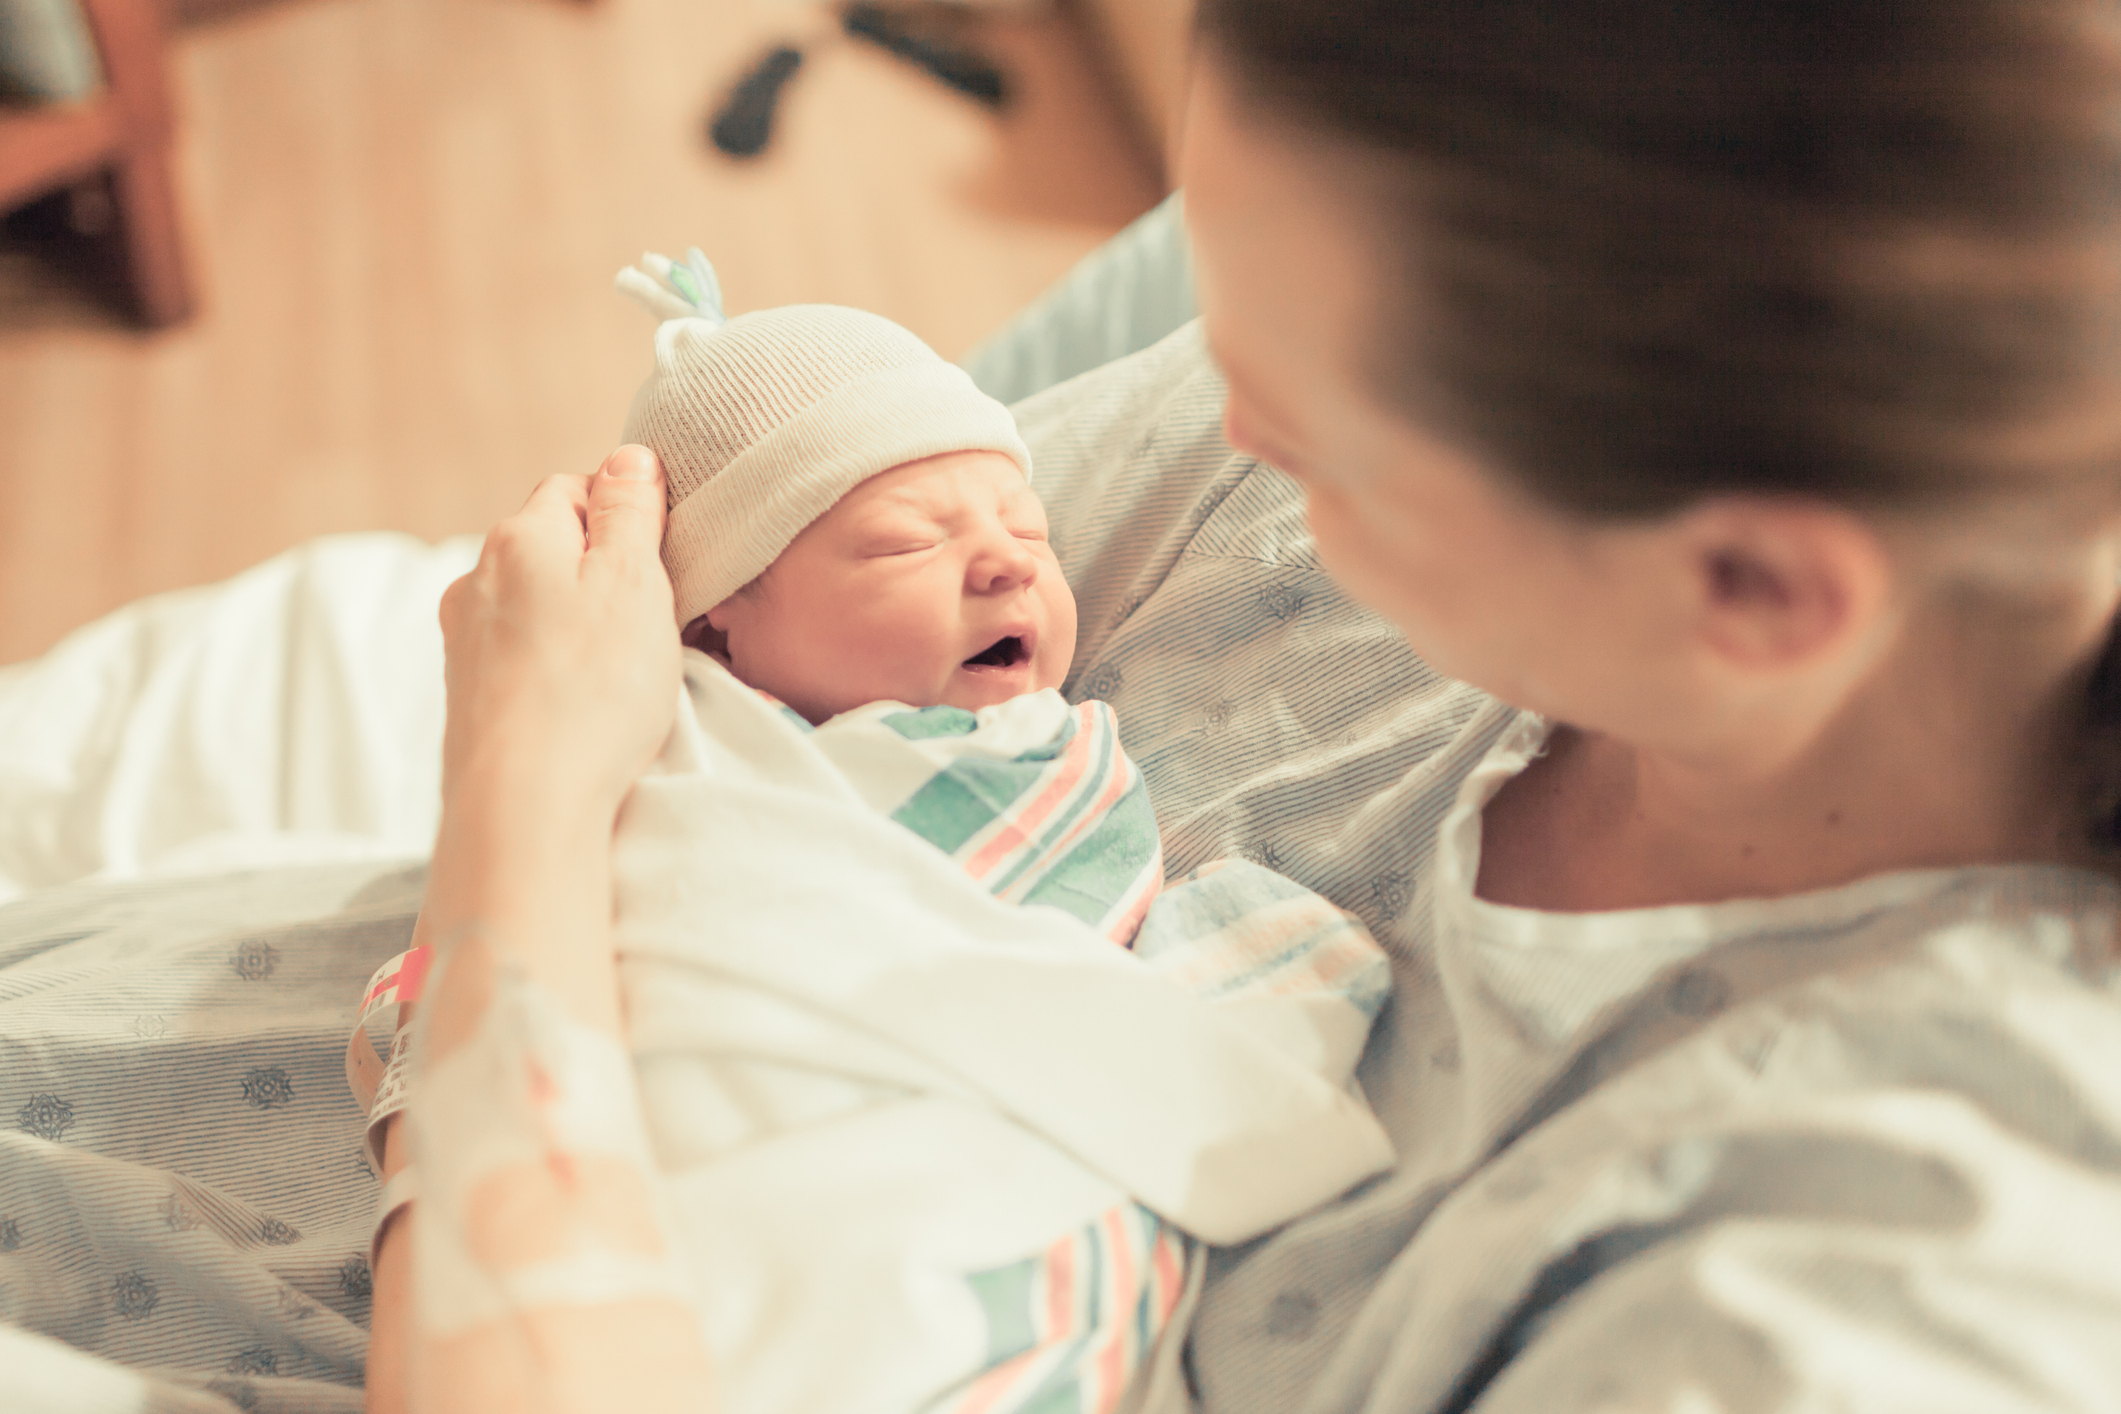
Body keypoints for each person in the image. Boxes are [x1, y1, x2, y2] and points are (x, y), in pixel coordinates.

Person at [370, 0, 2121, 1409]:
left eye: (1305, 424)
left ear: (1748, 591)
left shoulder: (1841, 1280)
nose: (1224, 427)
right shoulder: (1404, 448)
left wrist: (516, 793)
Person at [357, 258, 1394, 1414]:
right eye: (907, 543)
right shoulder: (684, 757)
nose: (1007, 559)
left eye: (1030, 529)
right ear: (717, 632)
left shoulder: (1041, 767)